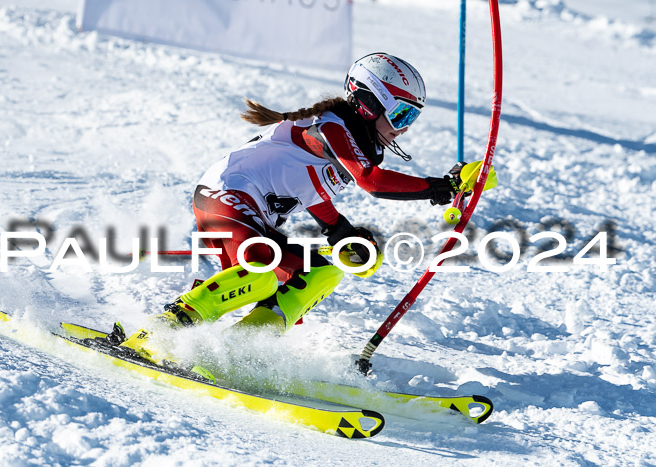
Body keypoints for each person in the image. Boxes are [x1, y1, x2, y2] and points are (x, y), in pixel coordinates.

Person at [109, 52, 463, 357]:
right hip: (226, 197)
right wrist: (440, 187)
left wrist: (338, 230)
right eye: (400, 116)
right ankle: (164, 328)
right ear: (369, 104)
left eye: (410, 120)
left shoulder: (352, 139)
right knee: (264, 271)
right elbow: (372, 182)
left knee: (322, 273)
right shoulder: (332, 126)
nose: (403, 129)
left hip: (248, 212)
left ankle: (243, 349)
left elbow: (305, 187)